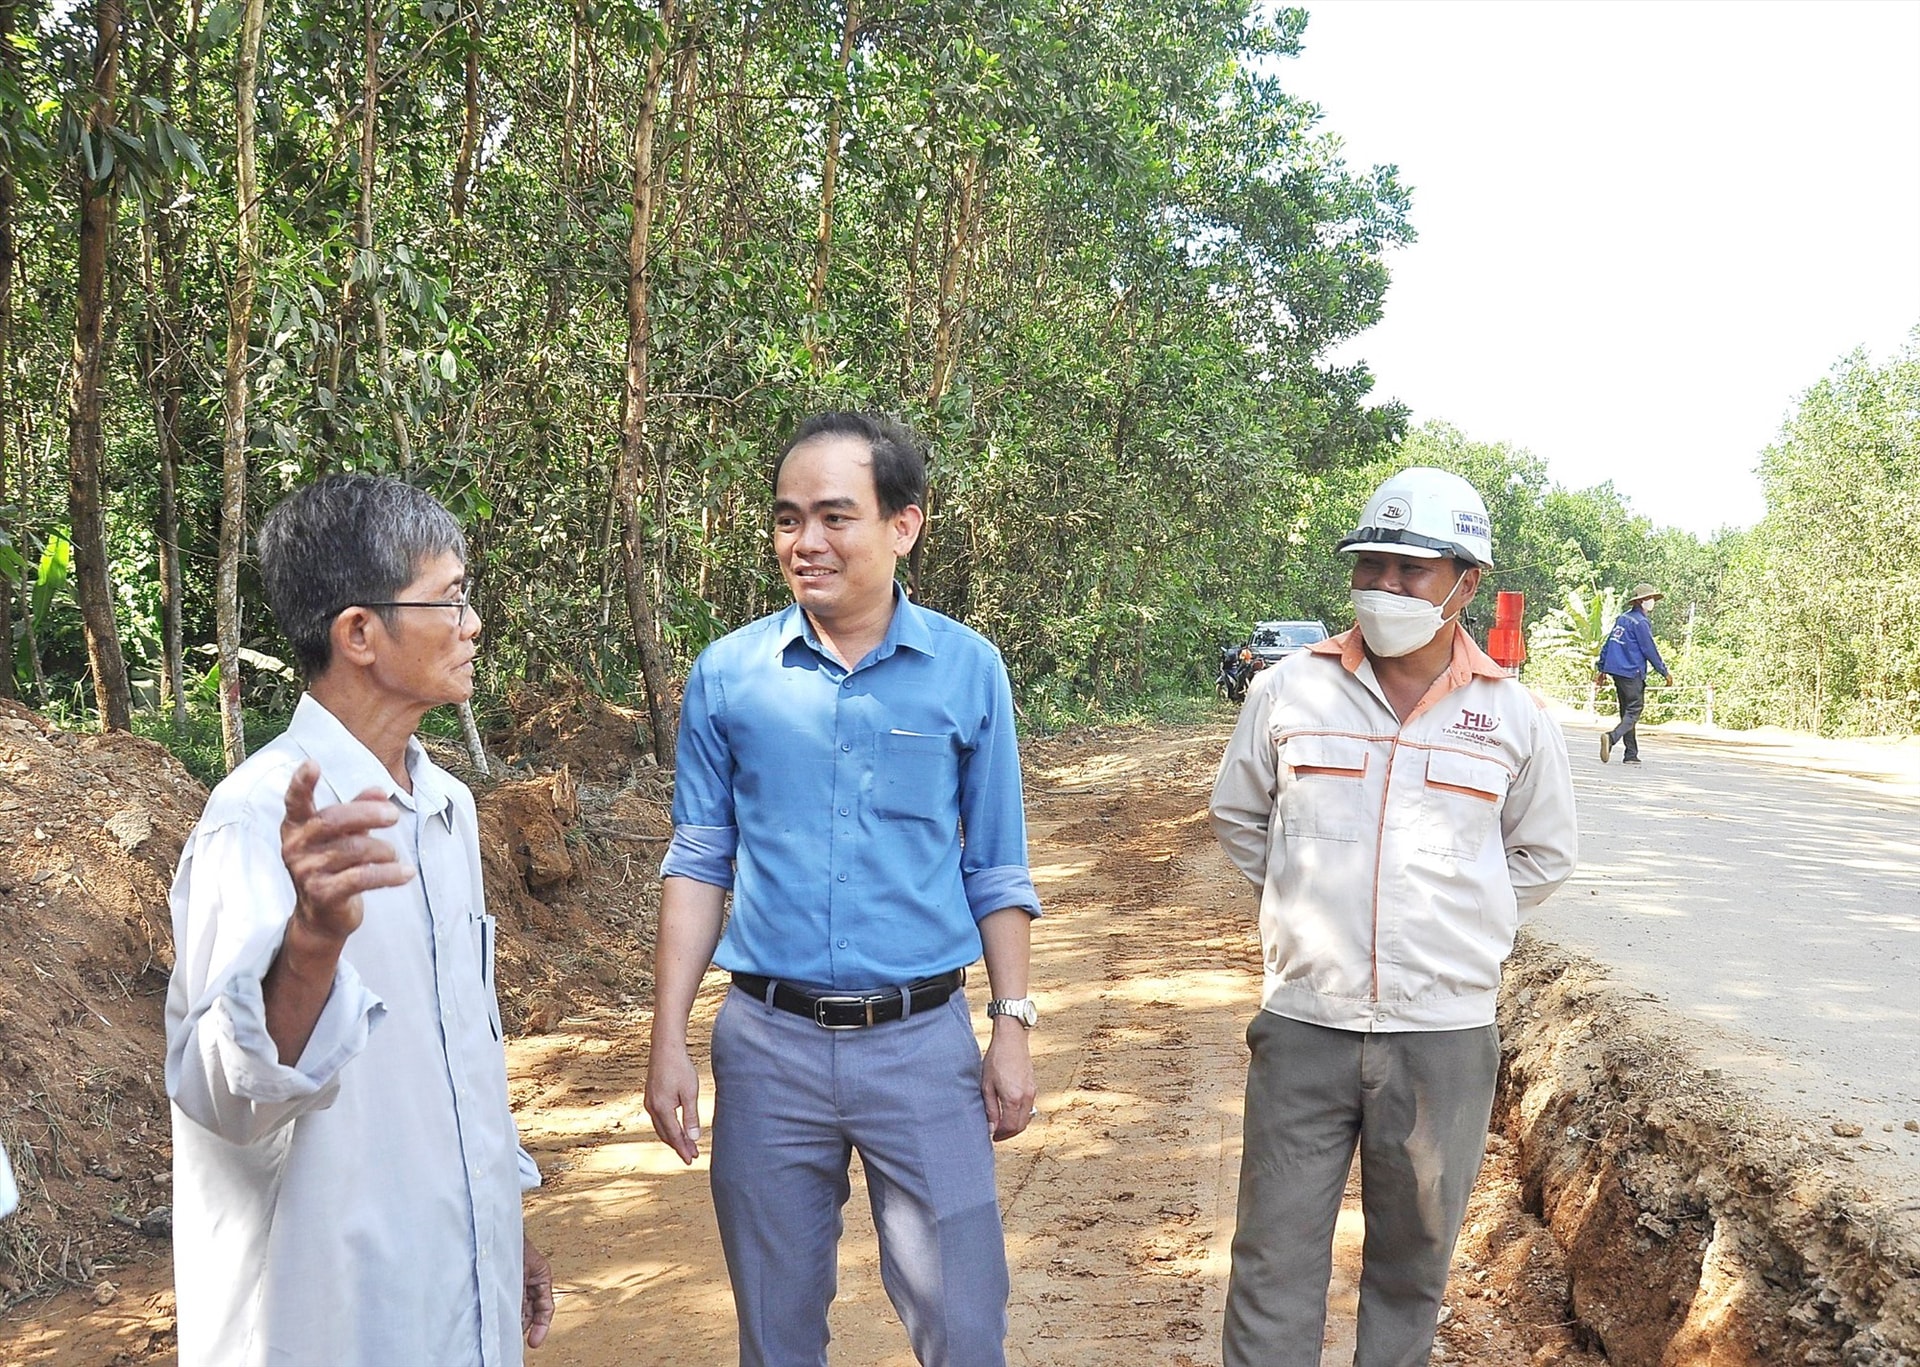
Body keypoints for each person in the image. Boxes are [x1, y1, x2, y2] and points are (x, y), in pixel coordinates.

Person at [645, 411, 1041, 1366]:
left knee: (966, 1325)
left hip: (922, 1048)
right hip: (766, 1050)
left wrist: (1014, 1026)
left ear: (903, 525)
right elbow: (700, 860)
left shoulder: (966, 669)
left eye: (833, 516)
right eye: (787, 519)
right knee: (775, 1335)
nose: (804, 543)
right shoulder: (730, 676)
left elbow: (995, 862)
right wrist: (668, 1041)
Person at [165, 474, 554, 1366]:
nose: (472, 623)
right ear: (359, 633)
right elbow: (227, 1094)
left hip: (453, 1293)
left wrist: (501, 1230)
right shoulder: (256, 820)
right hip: (327, 1313)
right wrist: (309, 943)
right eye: (450, 599)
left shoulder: (447, 806)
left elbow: (460, 1054)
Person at [1209, 466, 1577, 1367]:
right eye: (1371, 564)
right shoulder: (1289, 692)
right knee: (1271, 1261)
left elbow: (1540, 854)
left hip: (1441, 1036)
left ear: (1465, 582)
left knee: (1412, 1270)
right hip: (1306, 1025)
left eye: (1412, 570)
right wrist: (1305, 895)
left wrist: (1456, 921)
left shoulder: (1513, 718)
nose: (1386, 586)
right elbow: (1239, 814)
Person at [1596, 583, 1673, 764]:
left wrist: (1601, 668)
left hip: (1617, 672)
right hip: (1632, 672)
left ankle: (1631, 753)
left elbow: (1608, 643)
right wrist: (1664, 672)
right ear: (1640, 602)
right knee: (1634, 711)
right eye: (1649, 598)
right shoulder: (1641, 623)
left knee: (1627, 712)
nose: (1652, 602)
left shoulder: (1622, 619)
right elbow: (1649, 650)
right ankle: (1611, 737)